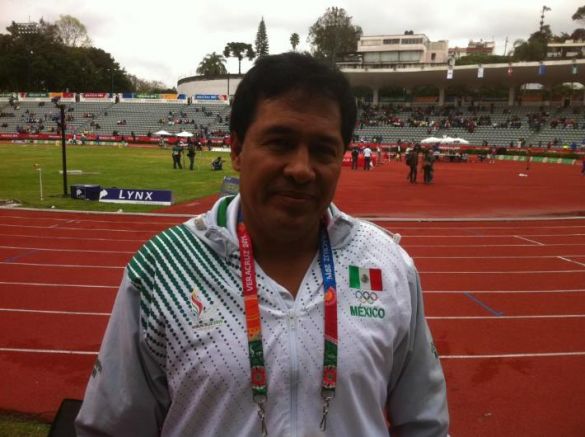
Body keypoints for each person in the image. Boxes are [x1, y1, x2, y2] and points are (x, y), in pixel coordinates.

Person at [75, 52, 449, 437]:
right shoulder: (163, 268)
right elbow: (111, 428)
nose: (301, 169)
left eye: (323, 150)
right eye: (280, 143)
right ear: (237, 150)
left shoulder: (389, 266)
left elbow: (425, 423)